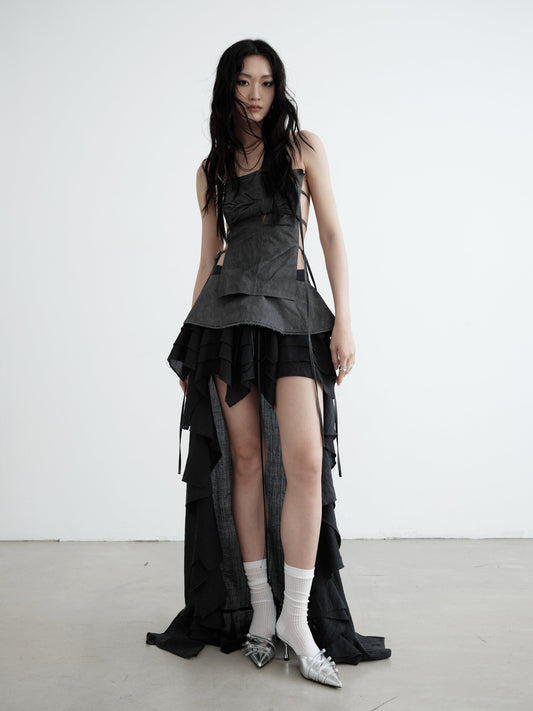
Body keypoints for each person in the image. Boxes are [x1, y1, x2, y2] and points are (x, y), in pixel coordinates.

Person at [146, 38, 391, 689]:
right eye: (243, 82)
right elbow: (208, 258)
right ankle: (259, 608)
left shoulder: (303, 146)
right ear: (227, 87)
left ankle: (297, 619)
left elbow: (331, 233)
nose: (255, 94)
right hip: (228, 320)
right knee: (247, 462)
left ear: (278, 88)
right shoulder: (212, 168)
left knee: (305, 461)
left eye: (266, 82)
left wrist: (344, 319)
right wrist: (191, 343)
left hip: (294, 312)